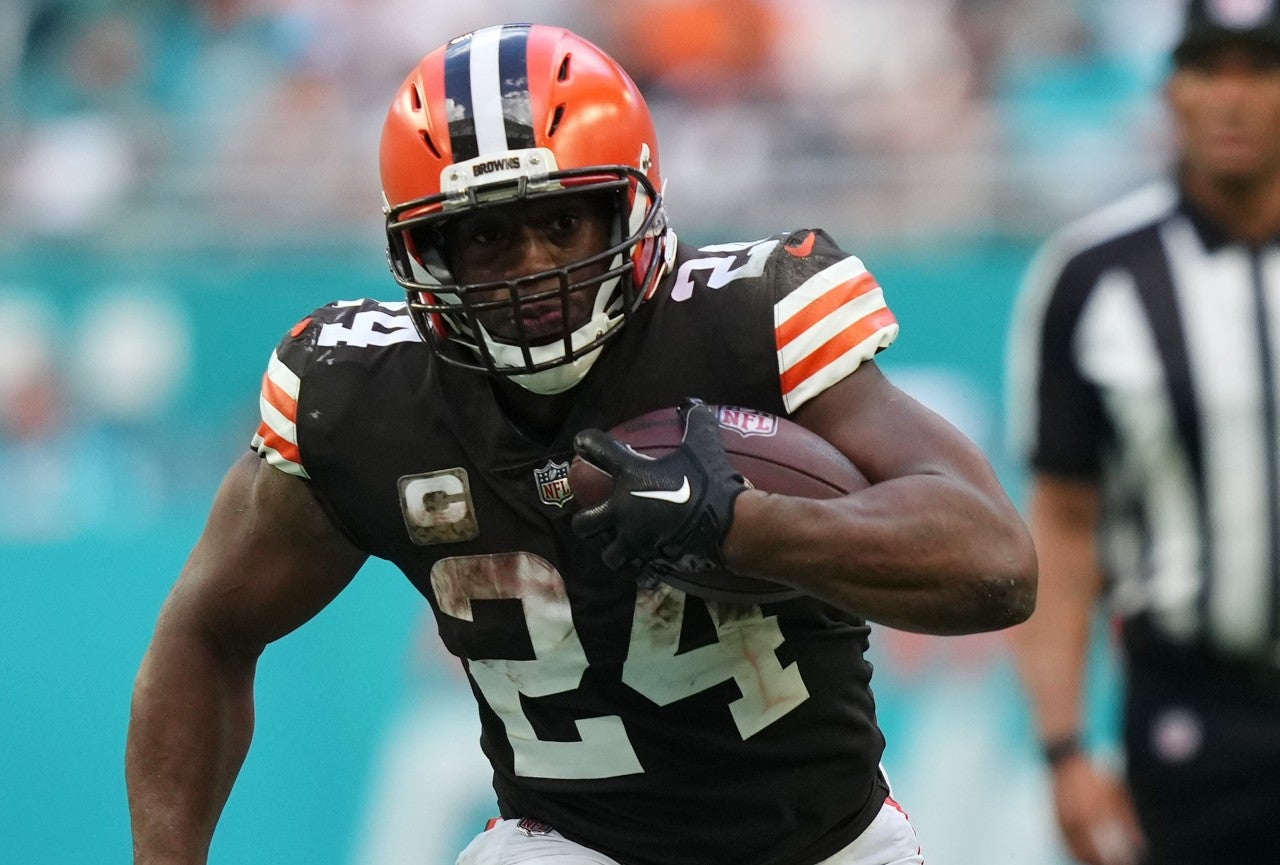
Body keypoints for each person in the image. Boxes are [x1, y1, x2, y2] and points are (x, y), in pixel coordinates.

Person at [126, 23, 1036, 865]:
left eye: (562, 221)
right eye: (486, 236)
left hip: (826, 844)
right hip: (565, 844)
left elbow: (995, 560)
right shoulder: (362, 396)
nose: (532, 267)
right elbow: (206, 632)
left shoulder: (740, 323)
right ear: (423, 251)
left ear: (630, 205)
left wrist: (738, 524)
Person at [1005, 2, 1280, 864]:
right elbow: (1064, 522)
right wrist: (1062, 746)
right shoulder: (1095, 276)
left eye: (1259, 70)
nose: (1231, 99)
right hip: (1191, 710)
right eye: (1207, 69)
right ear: (1171, 89)